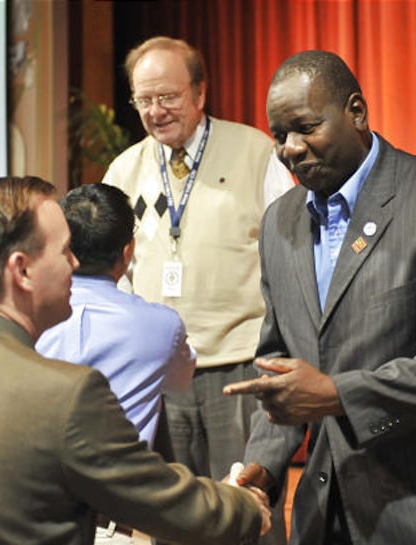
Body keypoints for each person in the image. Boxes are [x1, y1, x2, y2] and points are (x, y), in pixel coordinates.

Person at [0, 176, 271, 545]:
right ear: (21, 270)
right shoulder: (65, 396)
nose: (75, 263)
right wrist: (244, 504)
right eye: (64, 250)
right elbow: (165, 502)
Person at [224, 50, 416, 545]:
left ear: (356, 112)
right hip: (324, 512)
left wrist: (340, 395)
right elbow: (280, 363)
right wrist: (264, 467)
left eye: (305, 127)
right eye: (279, 136)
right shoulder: (279, 222)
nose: (291, 148)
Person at [102, 36, 292, 544]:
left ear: (200, 93)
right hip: (162, 373)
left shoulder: (255, 151)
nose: (156, 111)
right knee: (175, 521)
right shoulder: (125, 170)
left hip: (242, 364)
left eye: (168, 96)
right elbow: (113, 275)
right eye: (144, 100)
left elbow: (292, 254)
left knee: (250, 513)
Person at [36, 183, 196, 545]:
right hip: (116, 527)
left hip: (34, 519)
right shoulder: (162, 326)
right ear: (129, 250)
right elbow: (181, 381)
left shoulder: (28, 315)